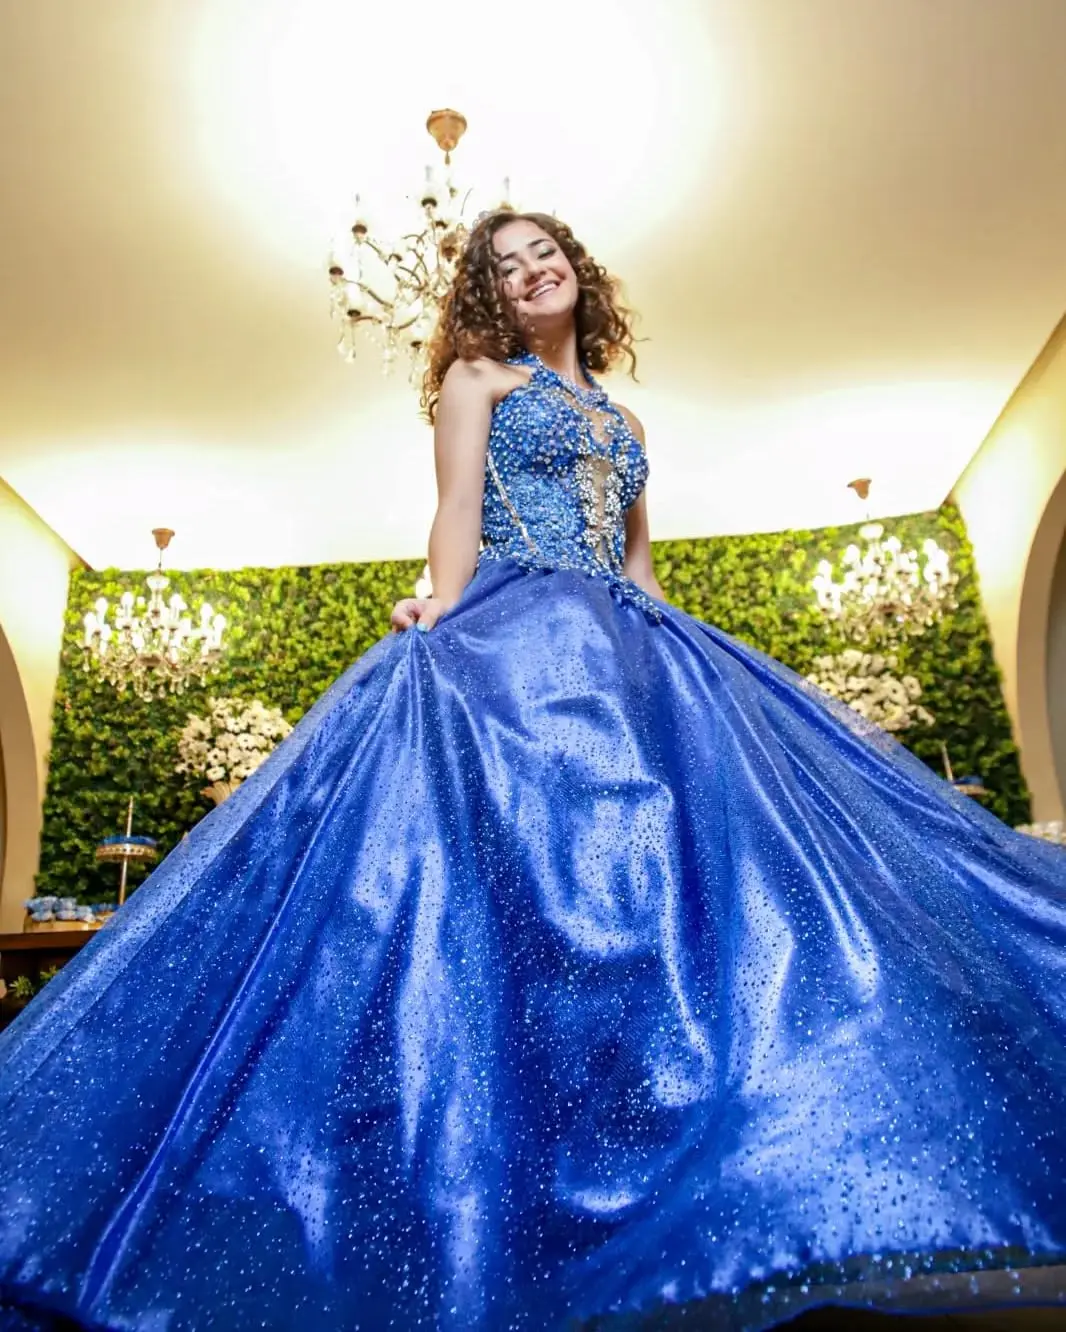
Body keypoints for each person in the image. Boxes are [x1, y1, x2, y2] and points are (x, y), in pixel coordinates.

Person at [0, 210, 1065, 1332]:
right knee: (543, 888)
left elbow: (638, 564)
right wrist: (440, 606)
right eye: (504, 266)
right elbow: (459, 510)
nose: (530, 270)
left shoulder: (626, 419)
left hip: (634, 647)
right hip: (524, 636)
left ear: (576, 268)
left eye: (542, 251)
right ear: (490, 298)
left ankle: (687, 1176)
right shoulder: (479, 383)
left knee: (696, 886)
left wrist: (699, 671)